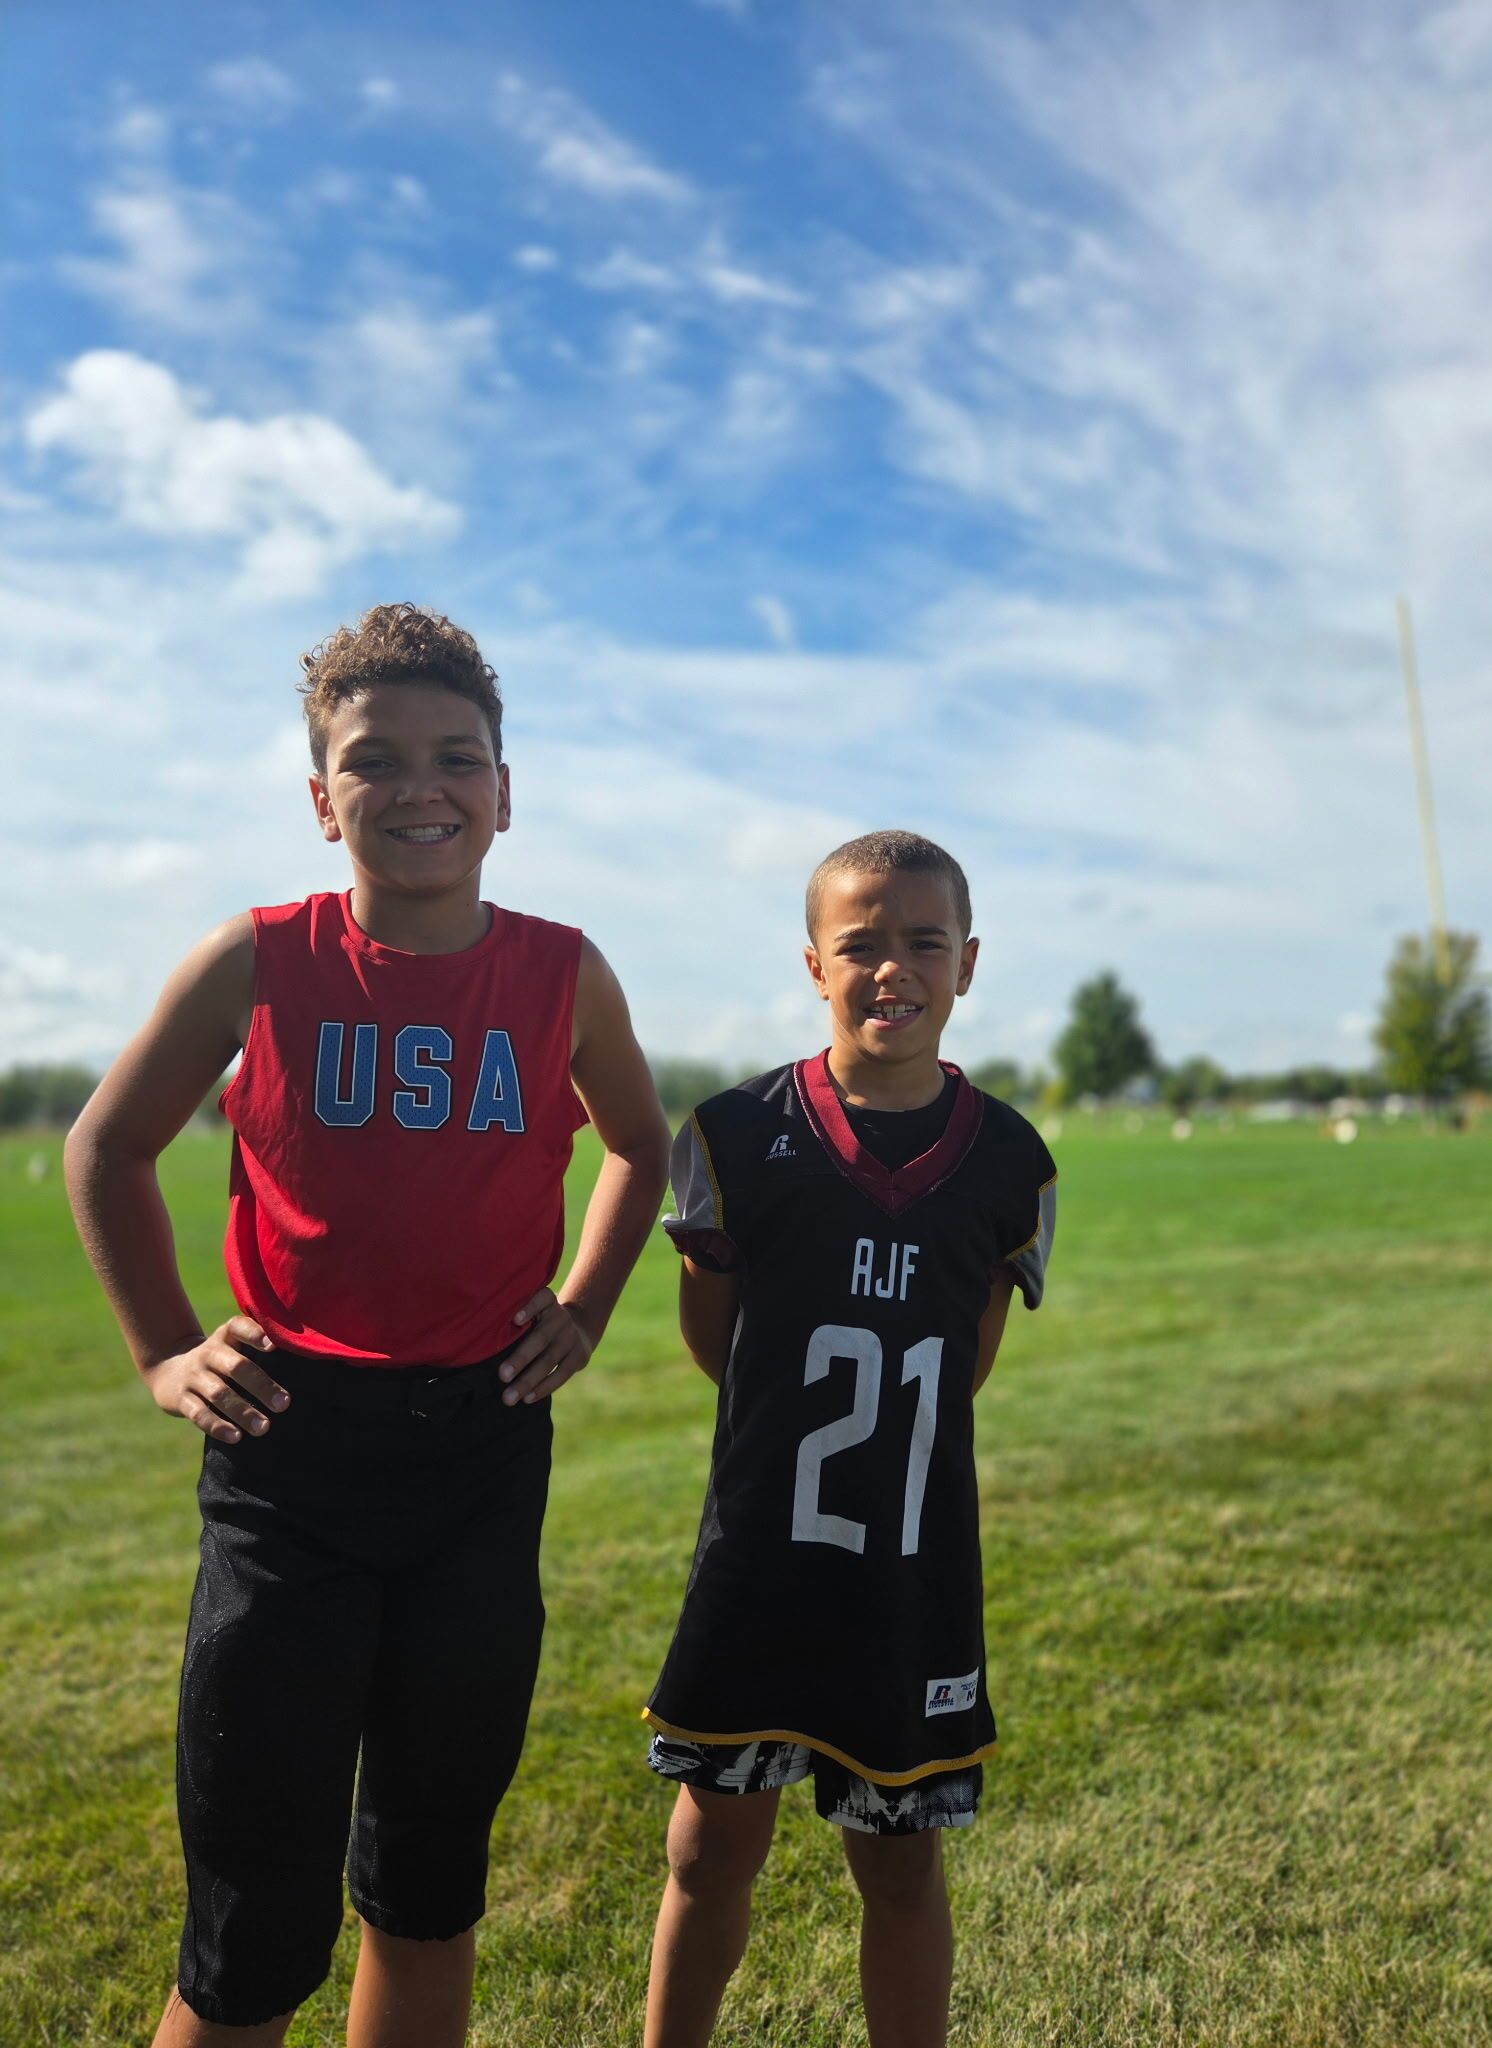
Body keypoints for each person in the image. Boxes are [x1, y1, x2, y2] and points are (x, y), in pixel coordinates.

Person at [64, 604, 670, 2047]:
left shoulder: (563, 972)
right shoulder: (259, 957)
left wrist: (584, 1306)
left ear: (505, 792)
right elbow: (106, 1145)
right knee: (255, 1906)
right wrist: (161, 1349)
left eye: (456, 757)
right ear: (320, 796)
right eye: (373, 759)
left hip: (480, 1454)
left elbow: (642, 1145)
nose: (419, 787)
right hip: (293, 1458)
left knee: (429, 1880)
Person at [641, 830, 1058, 2048]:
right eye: (861, 943)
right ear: (813, 961)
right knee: (709, 1846)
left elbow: (968, 1361)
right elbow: (720, 1345)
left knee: (902, 1863)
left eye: (924, 941)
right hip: (761, 1558)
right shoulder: (735, 1132)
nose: (893, 968)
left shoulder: (1011, 1161)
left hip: (910, 1572)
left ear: (966, 962)